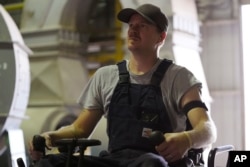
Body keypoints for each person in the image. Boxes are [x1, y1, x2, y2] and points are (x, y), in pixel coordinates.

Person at [28, 3, 217, 167]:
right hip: (115, 161)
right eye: (131, 25)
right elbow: (79, 129)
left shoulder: (178, 77)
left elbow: (207, 129)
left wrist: (187, 139)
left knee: (152, 163)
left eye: (142, 26)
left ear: (161, 37)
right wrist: (51, 137)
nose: (133, 30)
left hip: (157, 161)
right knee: (52, 163)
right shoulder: (105, 76)